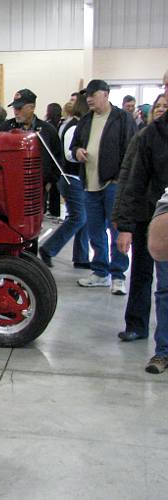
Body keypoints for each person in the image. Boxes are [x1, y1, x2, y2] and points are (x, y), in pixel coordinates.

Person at [111, 94, 168, 350]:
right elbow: (129, 181)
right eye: (159, 106)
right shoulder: (145, 137)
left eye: (166, 106)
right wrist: (124, 224)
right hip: (148, 215)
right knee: (143, 273)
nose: (162, 110)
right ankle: (136, 324)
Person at [69, 79, 136, 293]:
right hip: (90, 184)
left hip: (113, 184)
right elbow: (75, 145)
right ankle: (100, 272)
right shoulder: (86, 120)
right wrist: (78, 151)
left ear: (105, 94)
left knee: (116, 230)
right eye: (86, 94)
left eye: (93, 93)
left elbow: (131, 150)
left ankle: (118, 275)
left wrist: (121, 180)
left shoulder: (122, 118)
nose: (88, 98)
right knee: (95, 229)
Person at [39, 93, 92, 268]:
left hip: (77, 178)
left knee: (82, 218)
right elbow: (69, 154)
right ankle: (49, 247)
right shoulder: (73, 127)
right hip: (71, 178)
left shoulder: (77, 125)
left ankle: (82, 257)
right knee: (78, 218)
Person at [0, 89, 62, 231]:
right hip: (10, 189)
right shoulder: (6, 128)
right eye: (14, 108)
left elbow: (57, 159)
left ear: (32, 107)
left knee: (32, 229)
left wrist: (49, 182)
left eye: (19, 108)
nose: (16, 111)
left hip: (37, 190)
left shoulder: (47, 131)